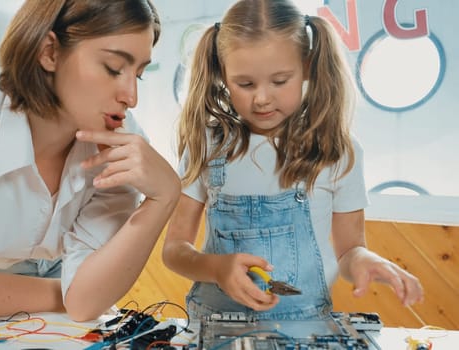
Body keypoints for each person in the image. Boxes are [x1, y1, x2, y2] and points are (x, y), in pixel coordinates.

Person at [0, 0, 180, 322]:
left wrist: (165, 196)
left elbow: (85, 304)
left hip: (58, 277)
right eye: (114, 68)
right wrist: (75, 293)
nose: (131, 97)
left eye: (138, 75)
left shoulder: (123, 147)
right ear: (49, 52)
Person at [162, 0, 423, 320]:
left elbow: (348, 251)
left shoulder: (337, 152)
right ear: (222, 74)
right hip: (216, 324)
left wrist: (363, 261)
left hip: (305, 326)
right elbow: (174, 250)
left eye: (280, 80)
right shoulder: (207, 145)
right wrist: (216, 268)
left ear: (307, 67)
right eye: (245, 84)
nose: (261, 98)